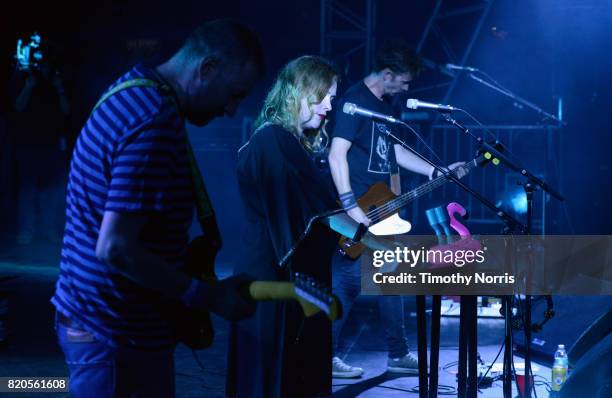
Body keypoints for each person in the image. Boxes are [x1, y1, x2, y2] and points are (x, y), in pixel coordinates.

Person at [51, 19, 264, 397]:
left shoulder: (133, 90)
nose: (232, 110)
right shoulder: (154, 121)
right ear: (207, 68)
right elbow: (115, 247)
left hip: (104, 325)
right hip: (114, 335)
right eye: (233, 94)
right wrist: (206, 296)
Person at [328, 43, 463, 377]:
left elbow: (394, 151)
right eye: (403, 82)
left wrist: (435, 171)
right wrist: (350, 206)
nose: (407, 88)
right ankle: (324, 356)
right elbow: (336, 155)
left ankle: (398, 354)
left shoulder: (387, 105)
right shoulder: (353, 103)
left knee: (391, 279)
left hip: (381, 206)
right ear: (387, 75)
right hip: (357, 207)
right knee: (347, 283)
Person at [226, 55, 339, 397]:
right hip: (273, 276)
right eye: (324, 96)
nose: (330, 106)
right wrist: (375, 242)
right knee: (272, 376)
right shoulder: (274, 139)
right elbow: (318, 212)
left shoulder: (285, 142)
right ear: (299, 92)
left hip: (279, 275)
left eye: (333, 97)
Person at [10, 57, 71, 245]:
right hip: (28, 145)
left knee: (51, 192)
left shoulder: (56, 84)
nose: (44, 68)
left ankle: (48, 230)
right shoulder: (26, 79)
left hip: (51, 146)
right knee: (28, 190)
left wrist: (59, 88)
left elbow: (66, 111)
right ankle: (26, 230)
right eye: (42, 64)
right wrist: (29, 86)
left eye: (47, 64)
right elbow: (17, 107)